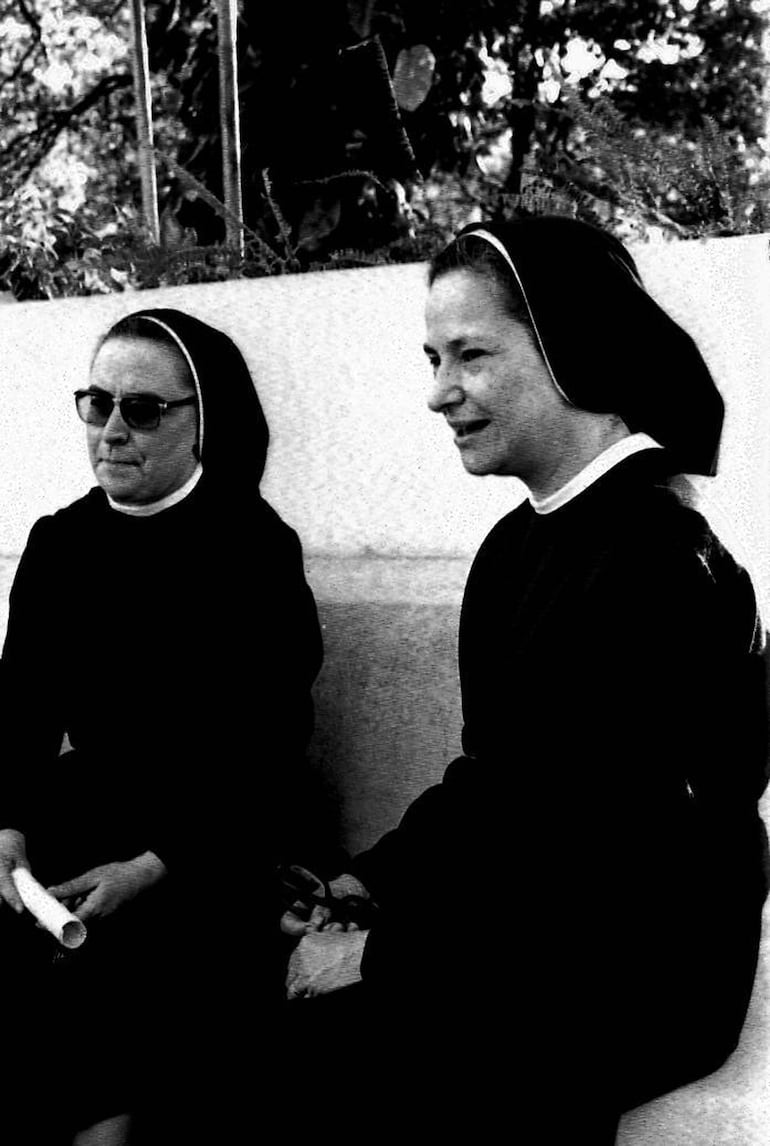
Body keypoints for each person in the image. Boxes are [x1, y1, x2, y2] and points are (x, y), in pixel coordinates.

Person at [282, 217, 769, 1142]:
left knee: (351, 1063)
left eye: (470, 354)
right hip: (547, 926)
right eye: (433, 356)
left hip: (647, 960)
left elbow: (610, 866)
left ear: (570, 348)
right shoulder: (521, 542)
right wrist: (365, 882)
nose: (439, 392)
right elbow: (500, 787)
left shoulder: (655, 561)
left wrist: (385, 956)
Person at [0, 309, 328, 1145]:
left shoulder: (252, 549)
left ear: (200, 419)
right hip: (92, 810)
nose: (112, 429)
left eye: (142, 410)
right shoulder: (59, 544)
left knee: (111, 970)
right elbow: (21, 710)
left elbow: (265, 746)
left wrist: (151, 867)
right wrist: (7, 830)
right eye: (97, 403)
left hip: (219, 837)